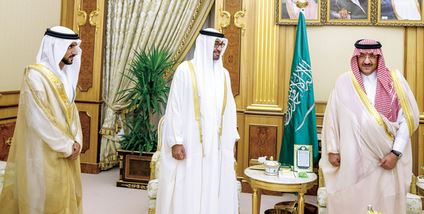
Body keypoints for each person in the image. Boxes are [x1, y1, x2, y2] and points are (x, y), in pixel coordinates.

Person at [319, 39, 419, 214]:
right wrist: (333, 150)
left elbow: (407, 121)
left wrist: (396, 153)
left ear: (379, 57)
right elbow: (332, 118)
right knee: (352, 203)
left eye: (372, 56)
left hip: (385, 159)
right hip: (352, 162)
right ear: (355, 58)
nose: (367, 61)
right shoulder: (344, 82)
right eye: (362, 56)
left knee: (384, 203)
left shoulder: (394, 81)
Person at [0, 26, 83, 214]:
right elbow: (38, 119)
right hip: (43, 151)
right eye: (70, 47)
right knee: (42, 199)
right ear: (55, 46)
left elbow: (73, 112)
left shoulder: (65, 76)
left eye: (75, 46)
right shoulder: (35, 76)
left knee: (66, 198)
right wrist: (65, 145)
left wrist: (77, 140)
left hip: (69, 149)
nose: (74, 52)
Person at [156, 28, 239, 214]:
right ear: (204, 44)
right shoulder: (185, 70)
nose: (218, 48)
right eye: (215, 44)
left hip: (215, 146)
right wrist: (175, 141)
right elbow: (174, 108)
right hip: (189, 144)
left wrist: (230, 138)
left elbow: (230, 110)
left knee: (212, 184)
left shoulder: (223, 74)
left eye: (220, 45)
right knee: (188, 185)